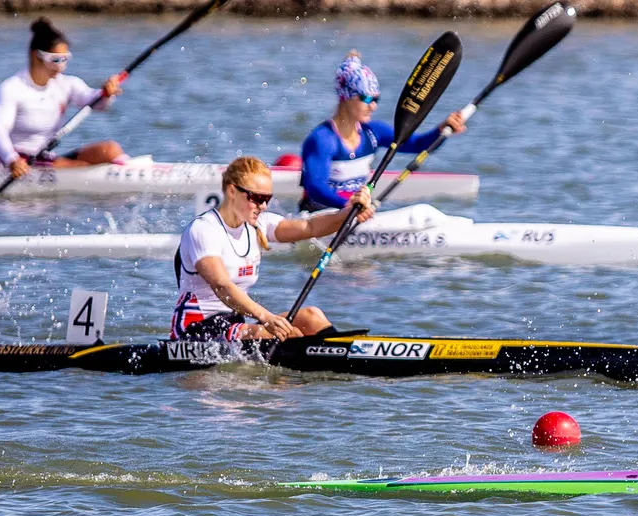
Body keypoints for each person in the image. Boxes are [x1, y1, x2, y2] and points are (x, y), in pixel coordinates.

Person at [171, 156, 375, 341]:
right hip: (196, 329)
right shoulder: (204, 229)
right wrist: (266, 317)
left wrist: (347, 214)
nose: (264, 206)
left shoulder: (259, 225)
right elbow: (222, 286)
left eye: (267, 199)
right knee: (287, 334)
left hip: (234, 325)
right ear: (232, 191)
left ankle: (338, 355)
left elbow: (310, 227)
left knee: (312, 316)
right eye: (257, 198)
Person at [298, 51, 468, 212]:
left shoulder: (374, 132)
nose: (373, 106)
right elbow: (315, 188)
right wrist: (347, 204)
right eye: (366, 98)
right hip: (320, 216)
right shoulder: (322, 139)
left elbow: (417, 145)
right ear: (346, 96)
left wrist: (442, 130)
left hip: (355, 213)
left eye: (376, 99)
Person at [0, 17, 127, 180]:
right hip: (15, 164)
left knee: (111, 150)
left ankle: (130, 170)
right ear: (36, 56)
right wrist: (12, 160)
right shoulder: (12, 88)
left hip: (45, 159)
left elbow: (96, 103)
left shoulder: (66, 84)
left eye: (65, 59)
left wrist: (106, 93)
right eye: (55, 60)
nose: (61, 66)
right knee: (82, 167)